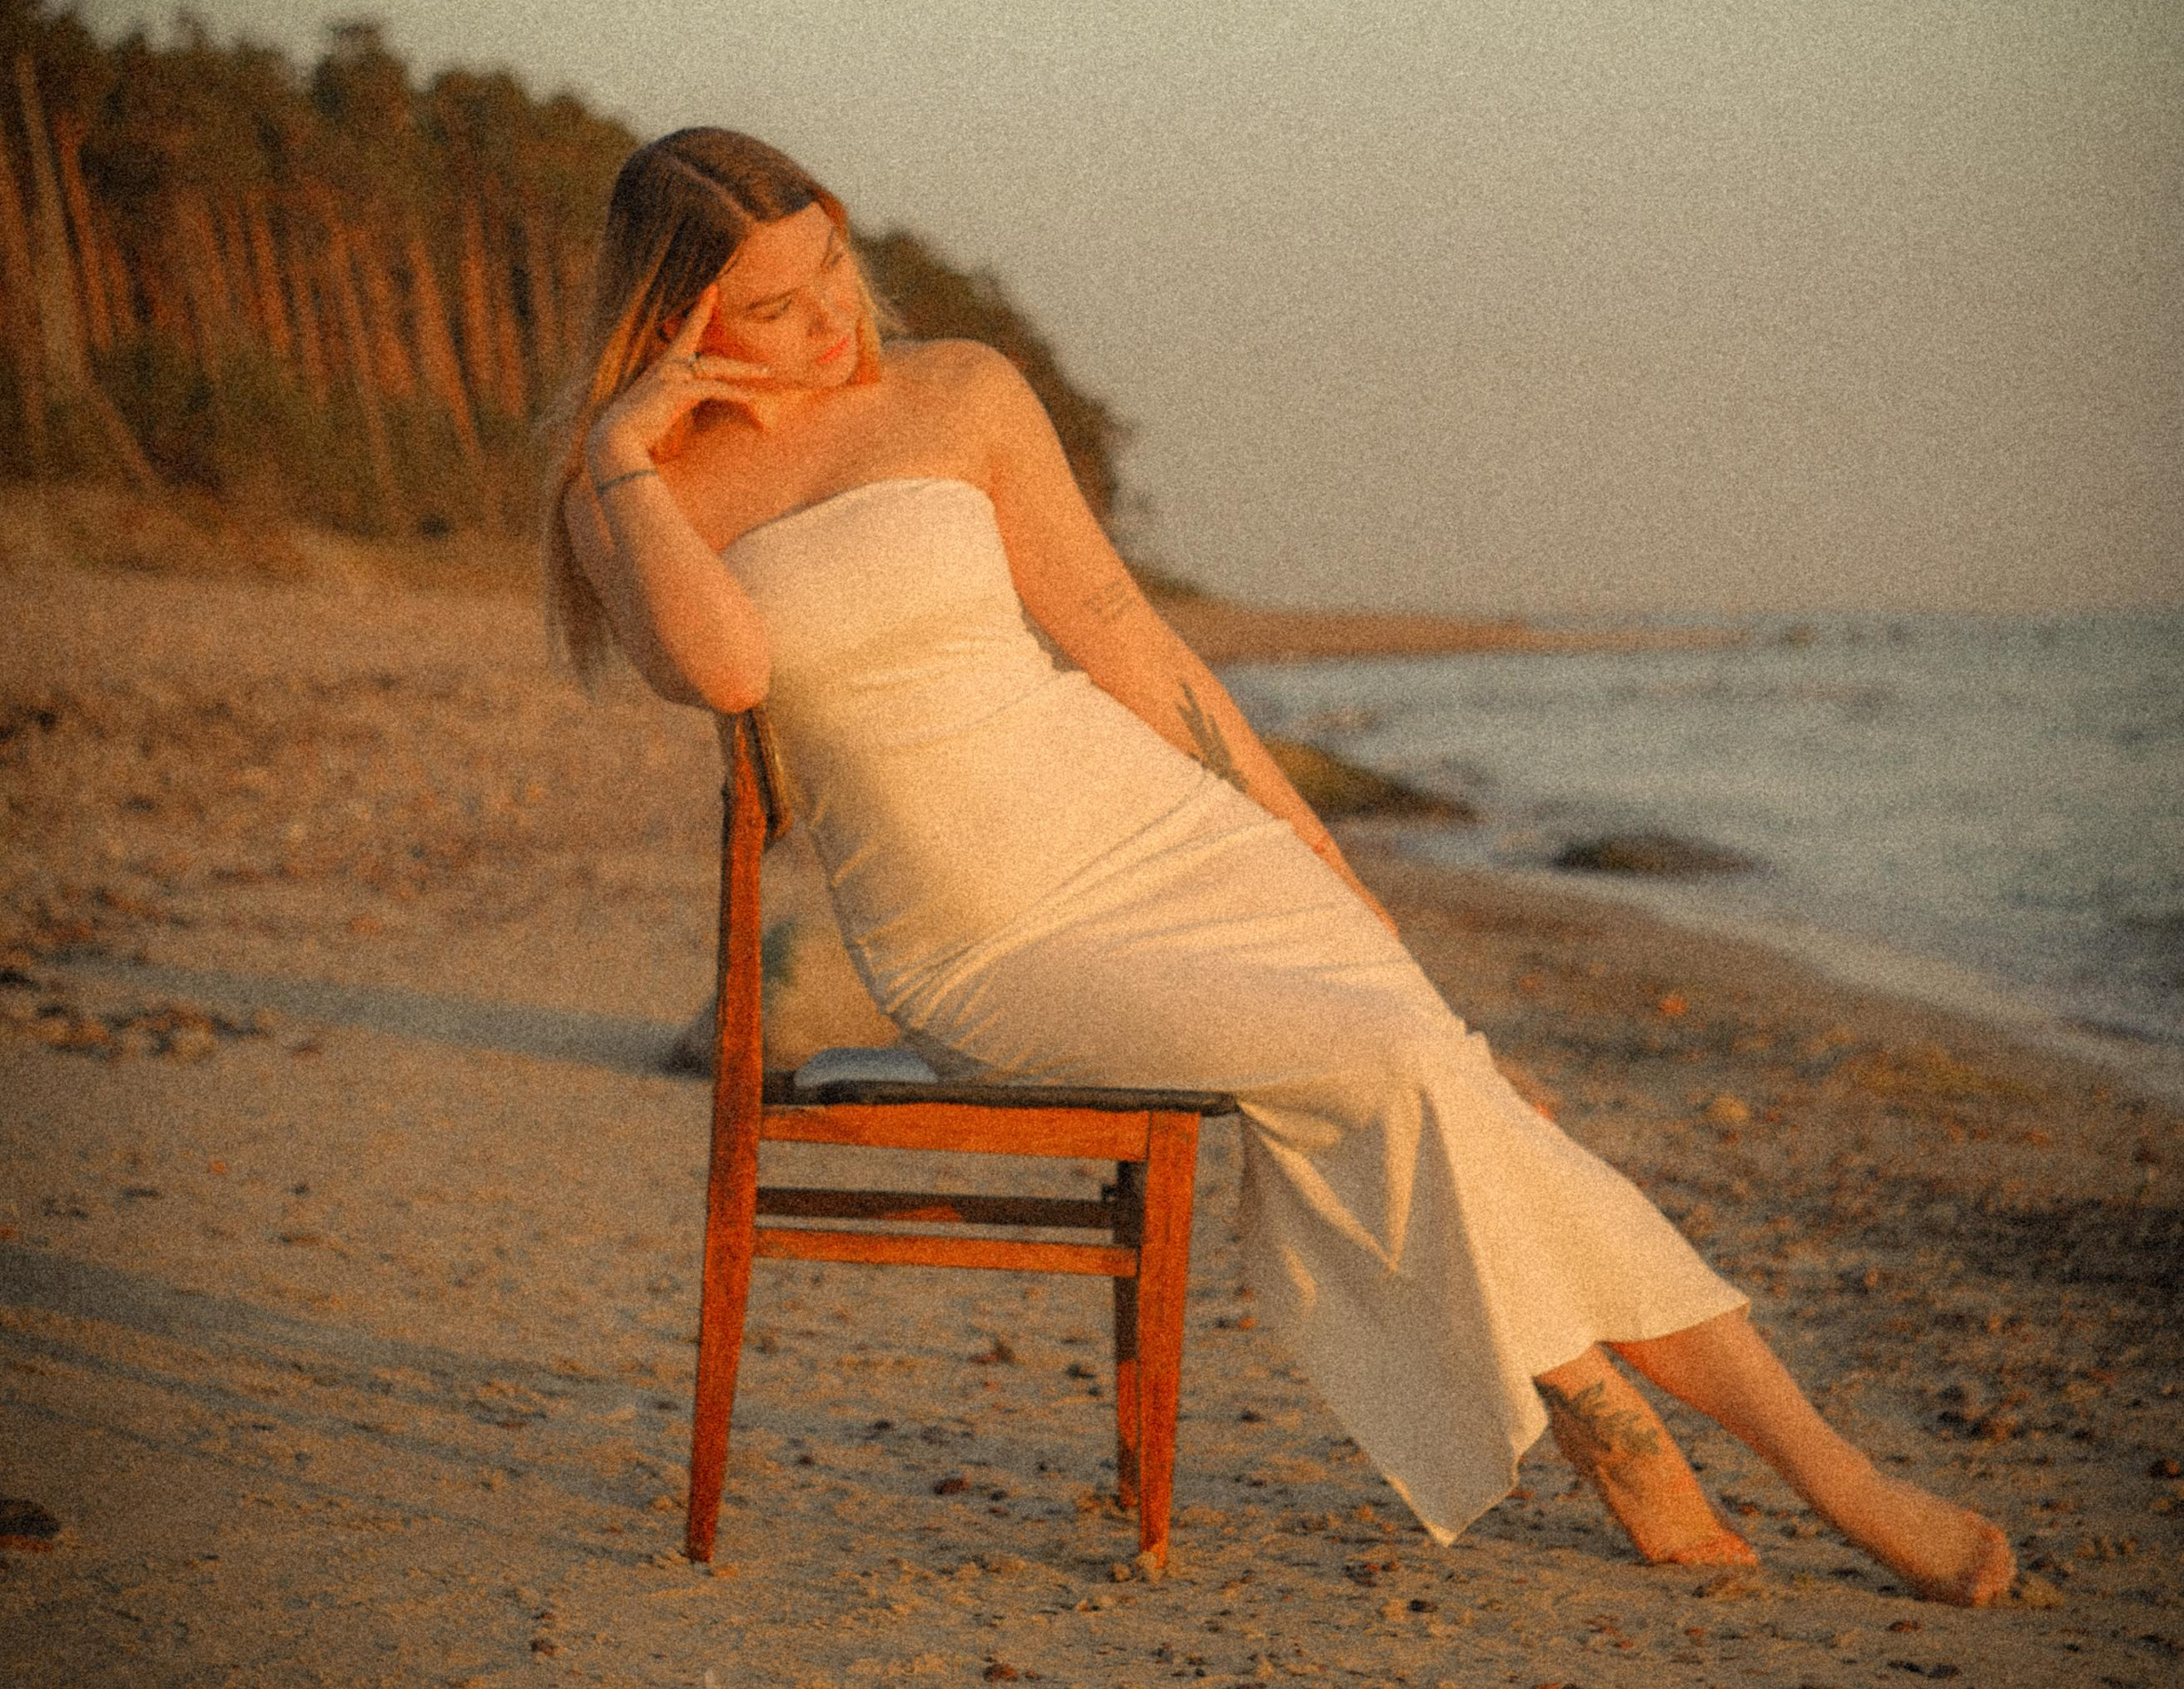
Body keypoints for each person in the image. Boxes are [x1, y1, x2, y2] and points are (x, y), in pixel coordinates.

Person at [547, 127, 2014, 1606]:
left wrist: (1321, 865)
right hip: (990, 945)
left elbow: (1127, 641)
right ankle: (1666, 1433)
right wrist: (622, 448)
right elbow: (726, 668)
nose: (836, 321)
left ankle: (1786, 1461)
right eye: (779, 306)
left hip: (1158, 839)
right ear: (677, 318)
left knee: (1455, 1083)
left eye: (836, 273)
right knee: (1395, 1060)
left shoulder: (961, 393)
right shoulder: (640, 493)